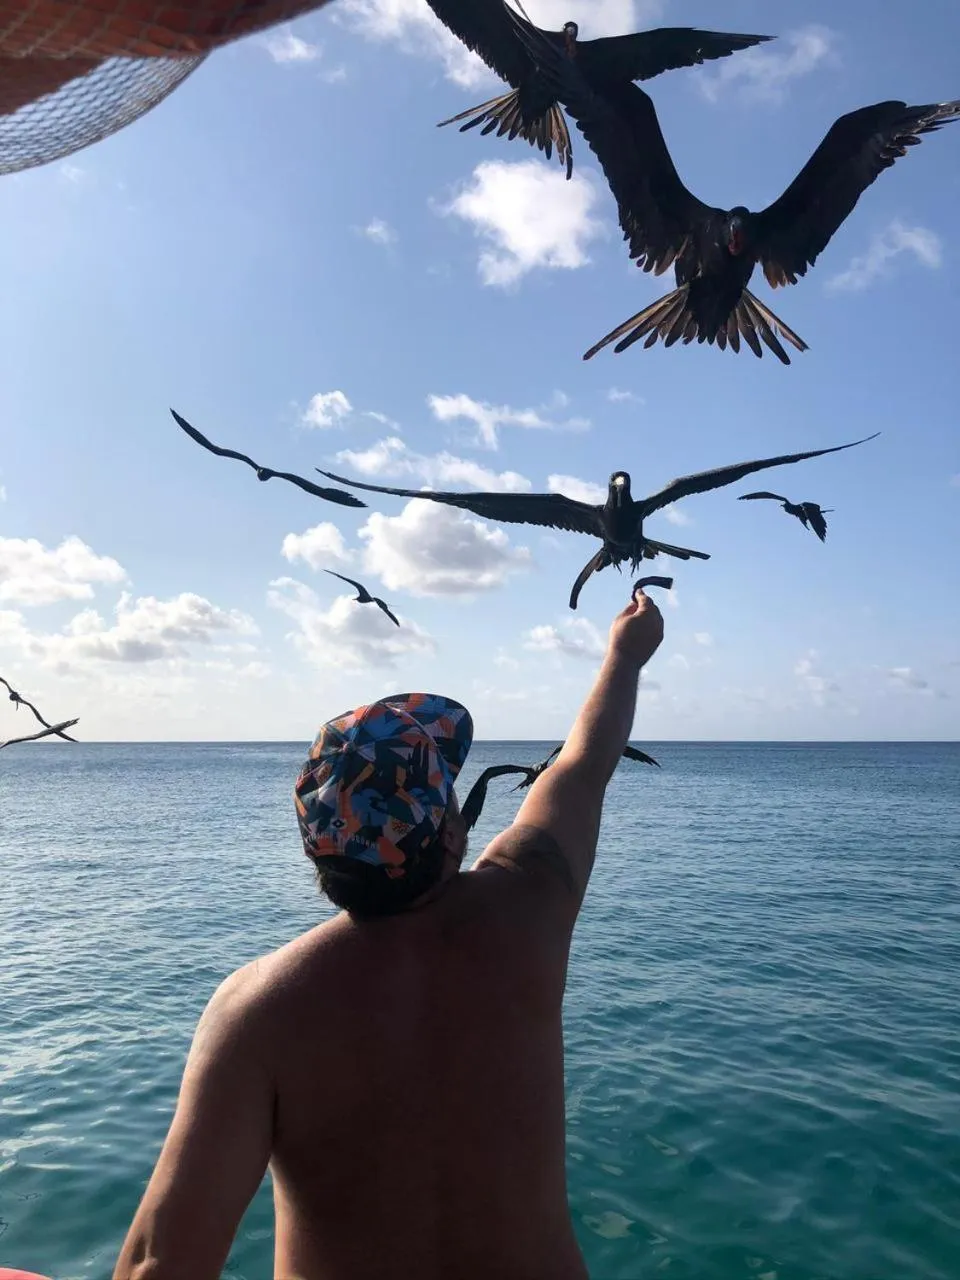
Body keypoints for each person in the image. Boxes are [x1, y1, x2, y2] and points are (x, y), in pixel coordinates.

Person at [113, 586, 664, 1280]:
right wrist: (625, 654)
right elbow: (584, 766)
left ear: (317, 847)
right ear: (455, 830)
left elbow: (160, 1265)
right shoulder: (529, 911)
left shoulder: (257, 1012)